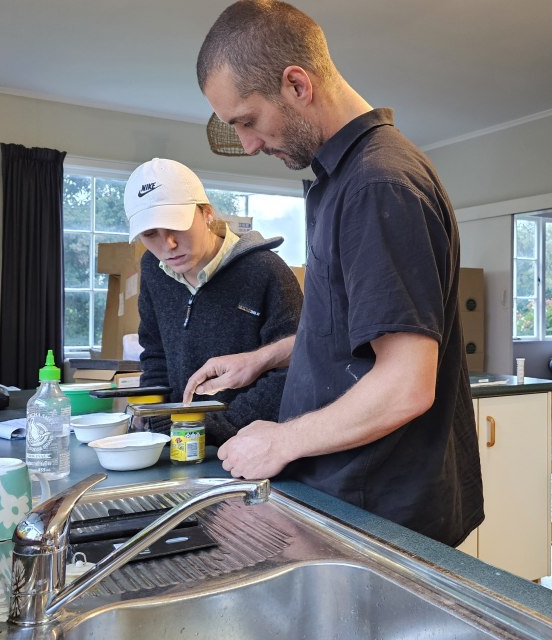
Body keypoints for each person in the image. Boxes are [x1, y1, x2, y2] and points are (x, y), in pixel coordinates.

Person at [186, 0, 484, 546]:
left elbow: (406, 384)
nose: (248, 144)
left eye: (248, 121)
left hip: (381, 518)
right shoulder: (343, 179)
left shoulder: (378, 184)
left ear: (297, 84)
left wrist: (279, 441)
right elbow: (353, 332)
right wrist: (262, 359)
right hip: (347, 500)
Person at [124, 157, 303, 445]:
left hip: (250, 445)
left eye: (176, 226)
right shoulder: (153, 269)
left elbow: (294, 372)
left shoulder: (266, 271)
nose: (167, 245)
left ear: (206, 213)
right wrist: (152, 416)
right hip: (177, 440)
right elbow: (155, 353)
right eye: (150, 234)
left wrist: (211, 425)